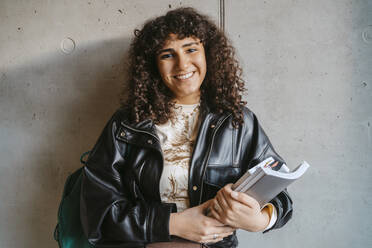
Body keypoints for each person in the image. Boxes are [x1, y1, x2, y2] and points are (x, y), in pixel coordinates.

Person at [80, 7, 293, 248]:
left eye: (191, 49)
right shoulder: (127, 124)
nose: (182, 64)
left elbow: (280, 192)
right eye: (167, 55)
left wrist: (259, 220)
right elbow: (97, 213)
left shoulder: (238, 121)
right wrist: (172, 224)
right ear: (153, 65)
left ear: (208, 55)